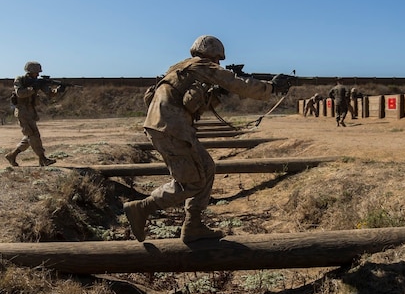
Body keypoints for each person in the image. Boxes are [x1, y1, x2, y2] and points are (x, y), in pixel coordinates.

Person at [124, 35, 290, 243]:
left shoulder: (180, 68)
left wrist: (217, 92)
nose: (218, 63)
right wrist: (271, 87)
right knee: (191, 183)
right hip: (172, 128)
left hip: (168, 126)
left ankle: (193, 225)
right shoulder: (202, 66)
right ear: (210, 53)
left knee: (207, 168)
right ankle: (142, 208)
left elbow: (195, 102)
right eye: (218, 59)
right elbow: (239, 84)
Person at [5, 61, 59, 167]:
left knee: (29, 137)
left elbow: (50, 94)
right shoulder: (20, 79)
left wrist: (57, 90)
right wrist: (33, 88)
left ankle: (12, 155)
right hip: (22, 111)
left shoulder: (37, 82)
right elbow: (20, 93)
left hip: (31, 111)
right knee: (34, 135)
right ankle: (42, 158)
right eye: (36, 72)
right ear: (29, 72)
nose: (38, 75)